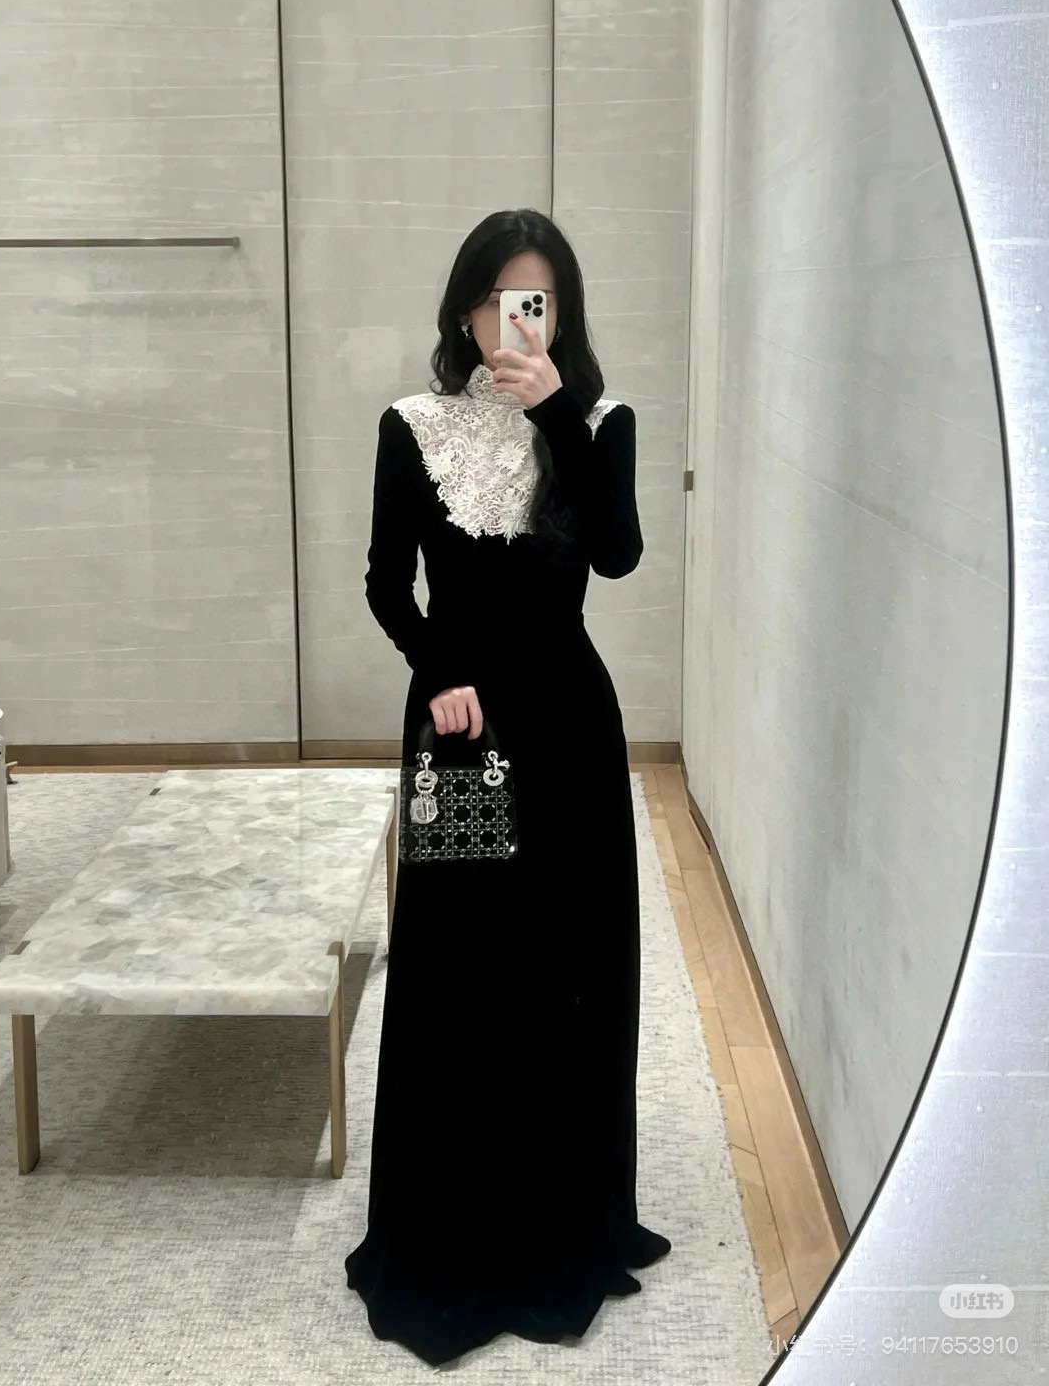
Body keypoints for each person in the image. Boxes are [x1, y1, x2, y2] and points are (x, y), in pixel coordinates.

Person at [344, 208, 672, 1366]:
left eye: (536, 302)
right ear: (464, 309)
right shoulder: (413, 424)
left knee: (568, 966)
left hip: (570, 730)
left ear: (562, 315)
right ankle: (449, 1224)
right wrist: (437, 672)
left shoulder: (601, 422)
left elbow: (618, 553)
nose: (512, 322)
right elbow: (386, 582)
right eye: (495, 299)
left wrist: (555, 416)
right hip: (460, 735)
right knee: (455, 965)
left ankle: (562, 1219)